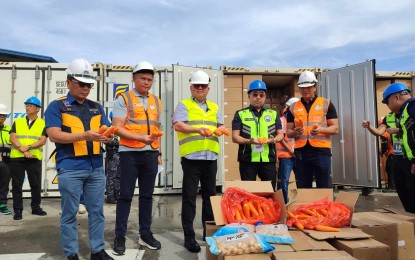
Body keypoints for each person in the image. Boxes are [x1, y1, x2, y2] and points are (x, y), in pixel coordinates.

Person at [45, 58, 114, 260]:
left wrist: (109, 137)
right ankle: (71, 254)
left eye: (89, 85)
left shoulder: (96, 107)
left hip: (95, 167)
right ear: (68, 82)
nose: (85, 88)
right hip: (70, 167)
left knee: (97, 212)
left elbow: (107, 131)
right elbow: (54, 135)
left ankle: (97, 251)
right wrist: (83, 136)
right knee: (69, 214)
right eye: (81, 84)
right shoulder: (57, 106)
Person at [112, 61, 162, 254]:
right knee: (125, 196)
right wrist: (141, 138)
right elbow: (117, 128)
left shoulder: (157, 101)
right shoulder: (123, 98)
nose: (146, 82)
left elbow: (157, 129)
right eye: (143, 78)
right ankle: (120, 236)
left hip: (150, 154)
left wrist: (159, 153)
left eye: (149, 79)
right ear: (134, 78)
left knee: (147, 196)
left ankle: (145, 233)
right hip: (129, 154)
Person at [173, 70, 226, 253]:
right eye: (197, 85)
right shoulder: (184, 105)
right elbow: (178, 125)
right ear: (191, 87)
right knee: (189, 198)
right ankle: (189, 237)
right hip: (192, 159)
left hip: (210, 157)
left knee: (210, 198)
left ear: (208, 88)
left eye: (203, 86)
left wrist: (222, 129)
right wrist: (198, 129)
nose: (200, 88)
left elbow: (221, 126)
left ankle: (208, 232)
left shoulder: (214, 107)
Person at [286, 71, 339, 188]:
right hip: (301, 153)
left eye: (309, 87)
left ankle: (325, 206)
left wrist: (321, 129)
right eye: (303, 87)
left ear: (315, 87)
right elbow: (288, 132)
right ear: (299, 88)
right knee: (303, 186)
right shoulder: (293, 107)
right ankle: (306, 206)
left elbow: (335, 128)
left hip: (321, 151)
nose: (306, 90)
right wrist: (294, 132)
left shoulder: (326, 103)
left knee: (323, 184)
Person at [232, 80, 284, 190]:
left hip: (268, 160)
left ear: (265, 96)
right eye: (255, 94)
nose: (258, 97)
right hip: (247, 160)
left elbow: (281, 135)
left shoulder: (273, 114)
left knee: (269, 192)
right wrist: (248, 141)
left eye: (261, 94)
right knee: (249, 193)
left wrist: (273, 140)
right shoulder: (240, 114)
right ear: (249, 96)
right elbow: (235, 137)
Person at [9, 96, 47, 221]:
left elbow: (43, 140)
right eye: (27, 105)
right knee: (17, 185)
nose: (27, 107)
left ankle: (36, 208)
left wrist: (28, 147)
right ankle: (18, 210)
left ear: (37, 109)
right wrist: (22, 149)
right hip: (17, 158)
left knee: (35, 184)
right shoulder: (18, 121)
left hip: (34, 157)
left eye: (30, 105)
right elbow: (12, 138)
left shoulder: (43, 123)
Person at [381, 82, 415, 213]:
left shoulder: (412, 106)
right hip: (407, 159)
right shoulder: (404, 112)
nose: (388, 106)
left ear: (396, 97)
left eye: (387, 102)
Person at [362, 117, 397, 191]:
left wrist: (382, 151)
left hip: (392, 154)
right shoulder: (389, 131)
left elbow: (384, 145)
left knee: (390, 169)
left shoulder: (384, 133)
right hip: (394, 153)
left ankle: (392, 187)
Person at [276, 97, 299, 204]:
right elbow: (280, 138)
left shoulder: (299, 121)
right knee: (283, 182)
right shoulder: (282, 120)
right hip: (285, 156)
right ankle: (284, 205)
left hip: (297, 155)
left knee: (301, 181)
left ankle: (298, 204)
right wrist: (290, 150)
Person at [105, 112, 120, 204]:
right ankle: (110, 197)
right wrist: (120, 142)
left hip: (120, 154)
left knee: (119, 176)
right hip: (112, 155)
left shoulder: (120, 129)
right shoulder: (109, 129)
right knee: (111, 176)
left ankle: (117, 195)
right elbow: (108, 141)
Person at [0, 104, 12, 215]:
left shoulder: (9, 129)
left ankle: (2, 205)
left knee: (4, 184)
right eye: (0, 115)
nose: (2, 117)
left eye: (3, 115)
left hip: (7, 161)